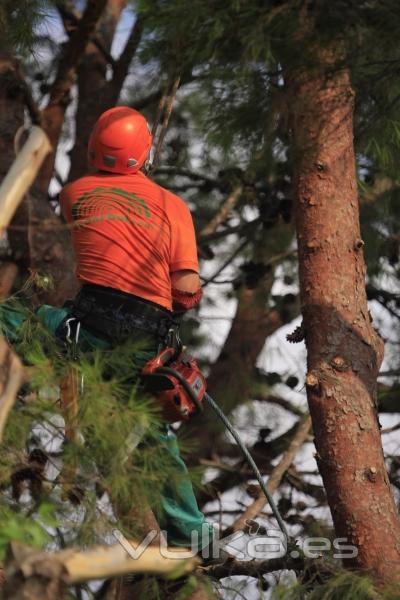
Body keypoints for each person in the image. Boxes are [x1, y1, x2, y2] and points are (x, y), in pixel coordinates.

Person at [1, 106, 214, 552]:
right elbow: (186, 290)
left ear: (95, 148)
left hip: (83, 331)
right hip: (144, 344)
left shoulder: (76, 192)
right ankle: (195, 538)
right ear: (146, 152)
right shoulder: (175, 207)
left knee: (22, 319)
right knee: (156, 440)